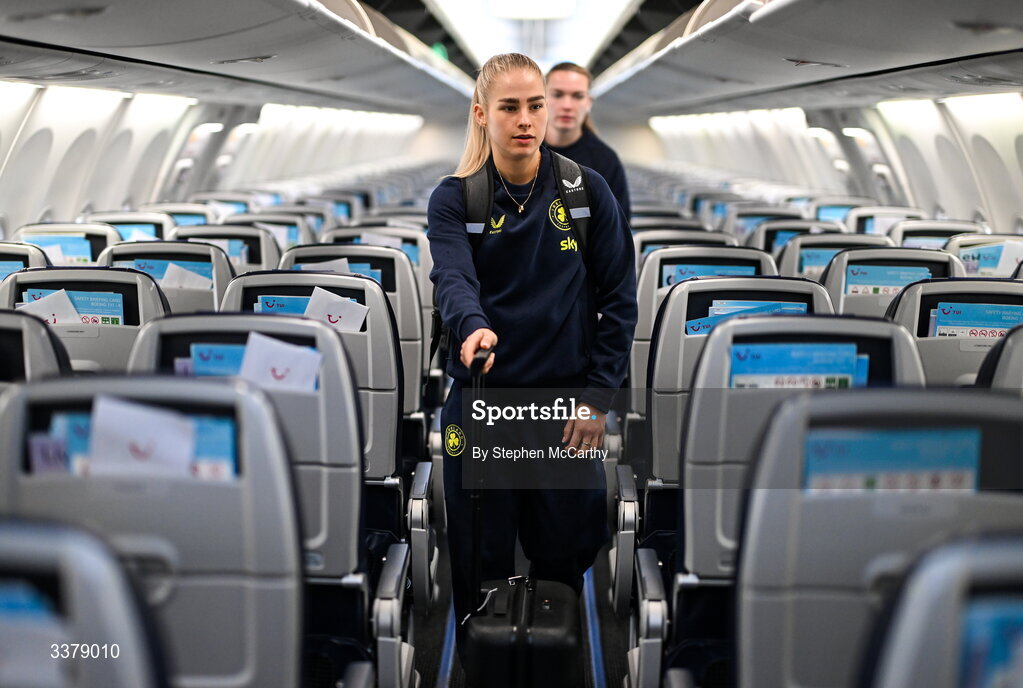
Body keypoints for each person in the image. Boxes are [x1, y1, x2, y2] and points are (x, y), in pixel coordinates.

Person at [427, 53, 637, 640]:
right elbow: (453, 277)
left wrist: (597, 399)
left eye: (536, 105)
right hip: (483, 404)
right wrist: (471, 327)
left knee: (563, 568)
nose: (527, 119)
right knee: (480, 572)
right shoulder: (456, 199)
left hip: (562, 412)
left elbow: (620, 297)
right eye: (510, 107)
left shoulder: (585, 191)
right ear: (481, 115)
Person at [545, 61, 632, 218]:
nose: (567, 105)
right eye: (557, 95)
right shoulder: (523, 151)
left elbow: (619, 226)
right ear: (542, 99)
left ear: (588, 103)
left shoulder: (605, 160)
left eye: (577, 96)